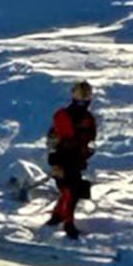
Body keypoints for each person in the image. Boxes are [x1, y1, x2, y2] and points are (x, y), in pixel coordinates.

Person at [47, 79, 97, 238]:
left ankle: (58, 216)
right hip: (63, 160)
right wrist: (55, 163)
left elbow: (89, 138)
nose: (84, 99)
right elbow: (55, 141)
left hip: (76, 161)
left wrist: (85, 150)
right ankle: (67, 223)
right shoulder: (64, 116)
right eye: (82, 95)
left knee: (72, 191)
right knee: (70, 192)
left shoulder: (88, 118)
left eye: (86, 95)